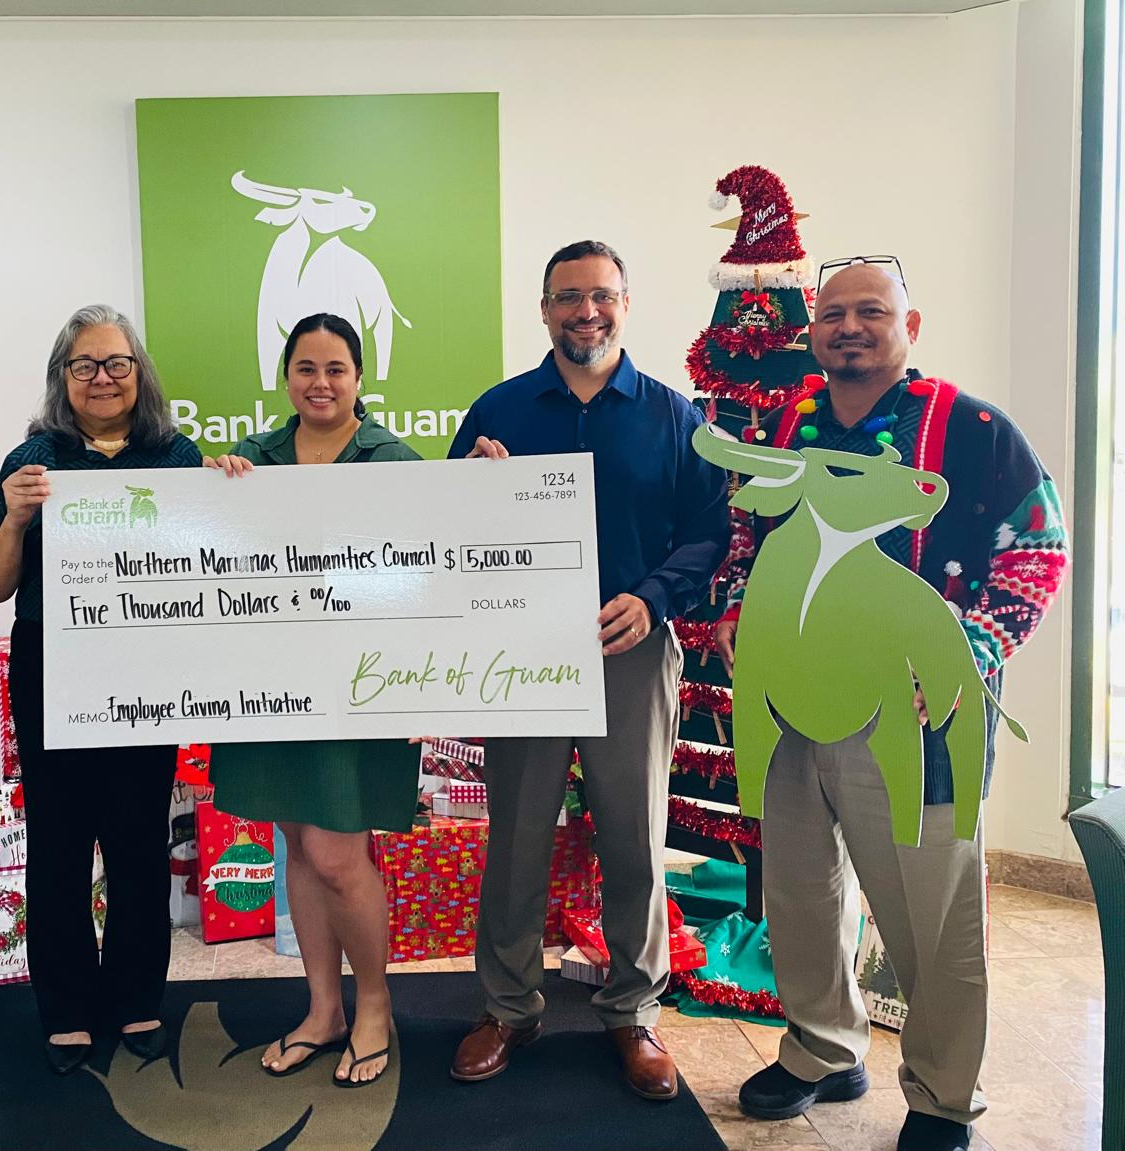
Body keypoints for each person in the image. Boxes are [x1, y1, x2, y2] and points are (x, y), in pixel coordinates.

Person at [718, 259, 1068, 1151]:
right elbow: (743, 537)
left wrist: (969, 651)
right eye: (833, 312)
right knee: (800, 892)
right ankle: (822, 1046)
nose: (849, 326)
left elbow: (1036, 548)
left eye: (870, 310)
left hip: (915, 719)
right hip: (795, 712)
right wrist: (736, 610)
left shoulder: (974, 429)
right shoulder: (784, 425)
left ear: (910, 323)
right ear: (811, 329)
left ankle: (944, 1095)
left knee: (933, 918)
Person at [446, 241, 730, 1097]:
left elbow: (708, 533)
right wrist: (470, 491)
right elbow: (444, 530)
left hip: (631, 651)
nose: (585, 311)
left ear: (625, 304)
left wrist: (653, 596)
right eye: (568, 296)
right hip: (523, 655)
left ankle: (633, 1010)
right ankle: (508, 1006)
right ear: (544, 310)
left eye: (600, 295)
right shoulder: (498, 411)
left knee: (634, 837)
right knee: (517, 836)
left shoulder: (675, 417)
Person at [0, 303, 203, 1076]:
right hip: (52, 663)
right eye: (85, 365)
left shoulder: (177, 457)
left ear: (140, 373)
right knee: (59, 842)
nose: (102, 377)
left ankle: (137, 998)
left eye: (116, 363)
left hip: (145, 665)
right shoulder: (32, 459)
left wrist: (230, 490)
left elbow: (215, 556)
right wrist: (13, 521)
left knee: (138, 841)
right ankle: (65, 1007)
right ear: (61, 376)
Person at [205, 313, 422, 1087]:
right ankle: (324, 1007)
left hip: (358, 683)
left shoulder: (394, 460)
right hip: (269, 681)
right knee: (297, 844)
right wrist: (211, 493)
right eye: (306, 367)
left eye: (336, 368)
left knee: (337, 852)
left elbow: (430, 577)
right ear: (286, 375)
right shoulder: (254, 457)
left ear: (359, 377)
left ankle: (375, 1005)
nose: (320, 382)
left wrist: (424, 685)